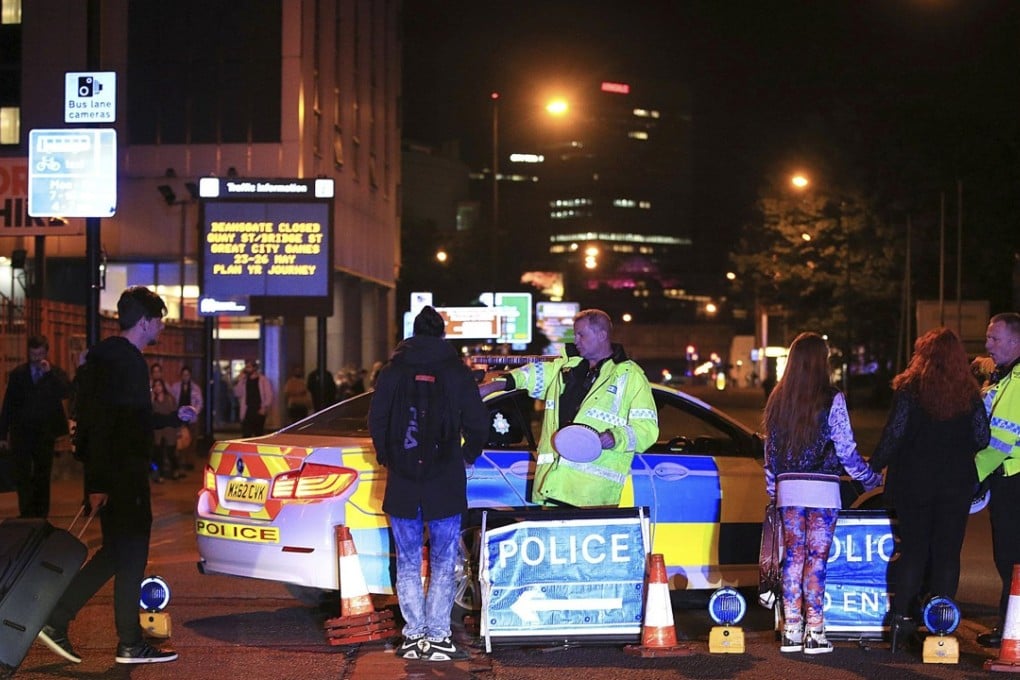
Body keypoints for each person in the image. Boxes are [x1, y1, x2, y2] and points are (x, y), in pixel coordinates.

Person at [37, 286, 195, 665]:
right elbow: (110, 425)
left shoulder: (105, 359)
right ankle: (126, 642)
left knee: (115, 555)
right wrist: (101, 483)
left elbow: (112, 420)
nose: (160, 328)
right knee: (132, 553)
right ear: (144, 321)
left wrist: (173, 417)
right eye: (158, 321)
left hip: (114, 475)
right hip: (123, 477)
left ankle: (60, 620)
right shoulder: (127, 363)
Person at [368, 306, 488, 662]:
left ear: (412, 333)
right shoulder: (456, 372)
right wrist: (467, 455)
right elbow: (478, 422)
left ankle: (413, 635)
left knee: (406, 560)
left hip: (403, 480)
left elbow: (377, 419)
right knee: (443, 558)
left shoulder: (393, 371)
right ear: (442, 334)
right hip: (444, 479)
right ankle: (438, 635)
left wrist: (387, 455)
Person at [869, 328, 989, 651]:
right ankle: (941, 626)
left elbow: (894, 435)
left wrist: (872, 465)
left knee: (914, 551)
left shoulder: (909, 389)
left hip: (914, 483)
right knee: (948, 555)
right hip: (955, 485)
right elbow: (982, 438)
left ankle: (899, 625)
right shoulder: (969, 392)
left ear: (922, 355)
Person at [762, 332, 882, 655]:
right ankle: (814, 631)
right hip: (824, 490)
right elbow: (846, 450)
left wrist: (774, 491)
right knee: (816, 559)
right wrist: (869, 479)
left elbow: (770, 453)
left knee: (793, 557)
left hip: (789, 489)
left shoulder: (778, 399)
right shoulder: (832, 398)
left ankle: (790, 629)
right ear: (821, 362)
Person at [479, 308, 658, 508]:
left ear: (601, 335)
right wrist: (491, 386)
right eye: (575, 335)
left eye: (581, 334)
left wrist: (616, 437)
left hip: (592, 496)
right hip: (554, 488)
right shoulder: (566, 368)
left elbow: (647, 428)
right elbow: (528, 376)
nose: (576, 341)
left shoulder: (629, 376)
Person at [974, 312, 1020, 648]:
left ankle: (1012, 632)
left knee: (1010, 558)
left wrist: (966, 477)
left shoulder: (1016, 383)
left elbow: (999, 444)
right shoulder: (1007, 377)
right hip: (1009, 481)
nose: (988, 345)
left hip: (1012, 481)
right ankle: (1010, 627)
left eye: (995, 339)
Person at [0, 335, 71, 518]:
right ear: (28, 353)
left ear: (46, 352)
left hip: (44, 432)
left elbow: (66, 392)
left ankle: (41, 513)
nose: (37, 358)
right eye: (33, 354)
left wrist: (49, 374)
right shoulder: (18, 374)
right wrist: (2, 434)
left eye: (40, 354)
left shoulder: (55, 373)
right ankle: (26, 512)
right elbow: (8, 404)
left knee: (42, 473)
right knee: (22, 474)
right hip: (21, 431)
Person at [169, 365, 202, 468]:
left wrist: (194, 412)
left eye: (187, 375)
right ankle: (180, 461)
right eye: (183, 375)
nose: (185, 377)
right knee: (179, 440)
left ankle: (190, 461)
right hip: (179, 416)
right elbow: (172, 400)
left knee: (192, 440)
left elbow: (200, 403)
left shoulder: (195, 388)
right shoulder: (175, 387)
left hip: (191, 417)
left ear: (190, 375)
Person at [234, 359, 273, 437]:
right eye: (246, 367)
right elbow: (237, 393)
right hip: (247, 410)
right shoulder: (244, 380)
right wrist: (240, 380)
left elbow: (269, 395)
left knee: (258, 434)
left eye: (249, 367)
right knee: (246, 434)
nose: (247, 369)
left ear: (254, 368)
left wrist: (264, 408)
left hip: (259, 410)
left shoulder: (263, 380)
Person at [150, 378, 179, 481]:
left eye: (159, 385)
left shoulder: (169, 398)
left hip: (169, 429)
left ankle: (175, 470)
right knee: (158, 454)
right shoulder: (153, 400)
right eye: (155, 386)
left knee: (171, 452)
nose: (158, 388)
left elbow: (174, 414)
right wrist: (152, 400)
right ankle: (160, 474)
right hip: (158, 431)